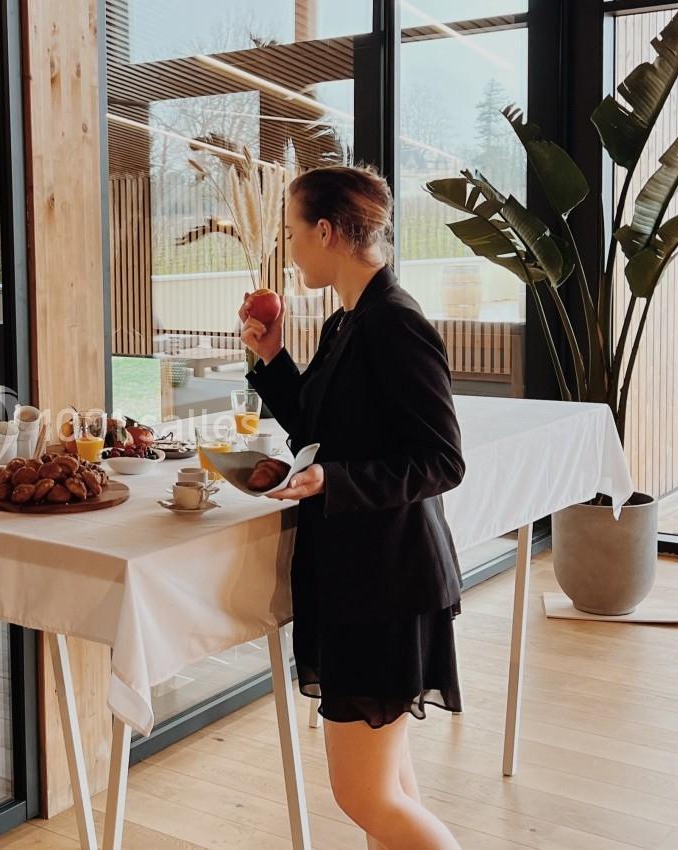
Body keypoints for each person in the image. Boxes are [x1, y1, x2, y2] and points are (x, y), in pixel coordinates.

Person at [241, 166, 465, 850]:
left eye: (292, 233)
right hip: (367, 580)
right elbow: (320, 426)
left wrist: (331, 481)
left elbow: (442, 461)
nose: (288, 249)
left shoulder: (393, 324)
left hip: (386, 585)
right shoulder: (350, 318)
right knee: (389, 792)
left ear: (328, 232)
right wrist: (272, 359)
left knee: (362, 794)